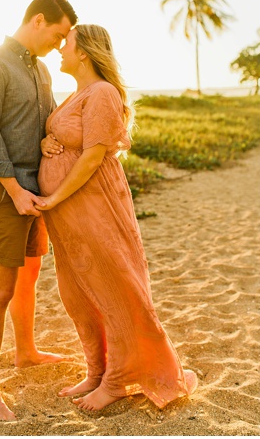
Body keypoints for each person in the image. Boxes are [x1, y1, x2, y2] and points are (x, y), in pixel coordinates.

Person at [37, 24, 198, 411]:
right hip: (69, 216)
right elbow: (71, 139)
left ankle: (119, 378)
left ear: (85, 54)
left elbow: (93, 156)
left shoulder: (103, 92)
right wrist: (46, 143)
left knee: (114, 287)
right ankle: (97, 370)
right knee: (78, 292)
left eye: (67, 45)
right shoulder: (78, 93)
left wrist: (56, 193)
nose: (60, 49)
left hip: (93, 206)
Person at [0, 0, 77, 421]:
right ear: (37, 21)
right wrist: (15, 191)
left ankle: (26, 352)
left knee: (28, 277)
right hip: (2, 191)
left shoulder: (42, 71)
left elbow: (47, 119)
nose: (61, 43)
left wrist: (51, 138)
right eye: (59, 33)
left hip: (36, 192)